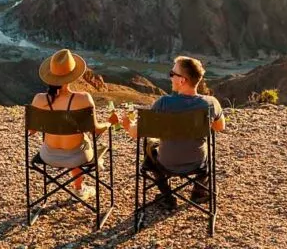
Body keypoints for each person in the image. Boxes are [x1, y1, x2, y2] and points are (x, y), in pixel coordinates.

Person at [121, 55, 225, 208]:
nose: (170, 77)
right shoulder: (211, 103)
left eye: (172, 74)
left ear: (182, 80)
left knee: (150, 145)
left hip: (166, 163)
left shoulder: (163, 103)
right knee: (208, 149)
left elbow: (136, 133)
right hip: (198, 163)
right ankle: (200, 191)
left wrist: (127, 124)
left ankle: (167, 196)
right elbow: (219, 127)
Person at [29, 48, 110, 199]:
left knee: (78, 141)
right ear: (73, 75)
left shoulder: (39, 99)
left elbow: (32, 131)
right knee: (83, 142)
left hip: (48, 156)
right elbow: (96, 130)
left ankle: (80, 184)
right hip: (77, 156)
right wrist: (109, 124)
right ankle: (79, 188)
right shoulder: (83, 99)